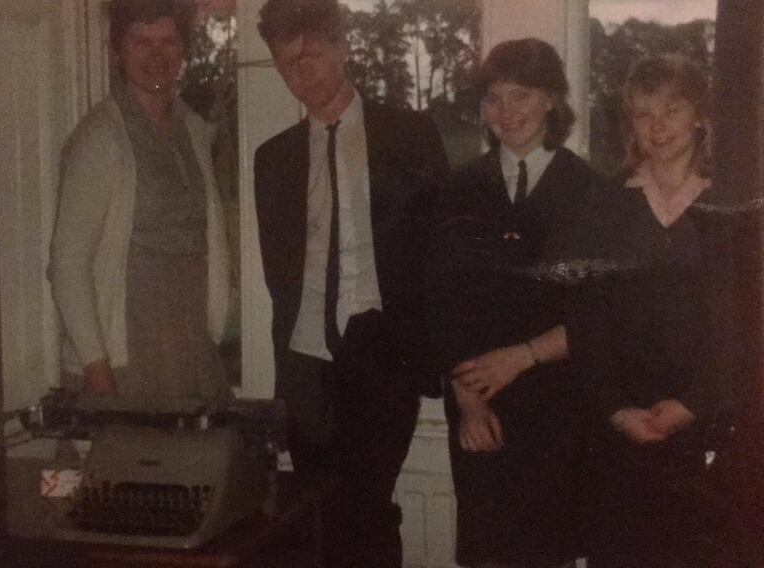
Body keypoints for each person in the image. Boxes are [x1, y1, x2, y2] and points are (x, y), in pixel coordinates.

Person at [253, 1, 449, 566]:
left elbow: (437, 253)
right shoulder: (274, 160)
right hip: (306, 362)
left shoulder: (409, 134)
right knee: (319, 515)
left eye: (312, 54)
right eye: (287, 63)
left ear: (342, 48)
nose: (301, 71)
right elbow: (279, 276)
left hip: (384, 359)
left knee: (368, 510)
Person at [566, 54, 758, 566]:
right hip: (621, 433)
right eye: (644, 112)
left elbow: (747, 327)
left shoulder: (738, 207)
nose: (657, 125)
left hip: (710, 430)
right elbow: (585, 322)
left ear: (700, 116)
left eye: (672, 109)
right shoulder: (603, 204)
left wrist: (696, 404)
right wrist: (614, 407)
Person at [426, 38, 602, 567]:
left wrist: (522, 356)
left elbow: (598, 312)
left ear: (551, 99)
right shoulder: (457, 190)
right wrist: (469, 400)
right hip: (483, 412)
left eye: (521, 95)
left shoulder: (590, 191)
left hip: (561, 411)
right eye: (494, 99)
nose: (507, 113)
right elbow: (443, 303)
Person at [49, 0, 233, 403]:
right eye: (140, 41)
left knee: (205, 460)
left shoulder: (194, 132)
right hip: (126, 356)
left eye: (168, 40)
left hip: (190, 345)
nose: (156, 54)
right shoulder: (99, 139)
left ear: (184, 49)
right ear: (118, 51)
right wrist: (98, 375)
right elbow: (67, 265)